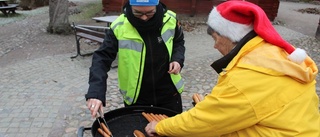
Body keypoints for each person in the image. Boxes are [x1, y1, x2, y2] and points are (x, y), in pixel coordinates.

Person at [145, 1, 319, 137]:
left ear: (229, 36)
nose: (215, 46)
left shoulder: (247, 77)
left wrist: (161, 126)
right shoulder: (272, 53)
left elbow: (205, 121)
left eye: (215, 38)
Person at [85, 0, 186, 118]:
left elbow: (178, 42)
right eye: (137, 13)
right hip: (136, 96)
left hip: (169, 93)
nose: (144, 18)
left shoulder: (171, 20)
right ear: (130, 5)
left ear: (157, 5)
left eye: (150, 13)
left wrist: (177, 59)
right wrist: (96, 92)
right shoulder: (119, 26)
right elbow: (101, 58)